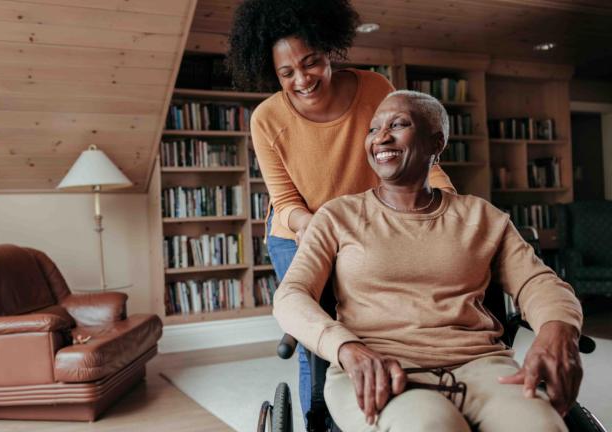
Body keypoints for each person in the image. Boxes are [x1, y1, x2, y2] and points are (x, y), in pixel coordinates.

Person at [272, 90, 584, 432]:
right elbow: (291, 296)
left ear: (436, 143)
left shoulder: (482, 217)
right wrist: (347, 348)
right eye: (373, 129)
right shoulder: (338, 216)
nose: (381, 137)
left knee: (542, 425)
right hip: (378, 369)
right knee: (432, 426)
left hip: (481, 367)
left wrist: (557, 330)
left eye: (398, 124)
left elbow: (539, 283)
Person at [226, 0, 457, 418]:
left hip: (371, 224)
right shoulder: (266, 119)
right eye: (286, 73)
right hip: (298, 232)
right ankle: (322, 420)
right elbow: (287, 202)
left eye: (310, 62)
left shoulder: (375, 89)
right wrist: (328, 231)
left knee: (379, 321)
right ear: (272, 74)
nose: (302, 79)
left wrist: (448, 201)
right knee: (316, 334)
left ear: (328, 48)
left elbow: (415, 155)